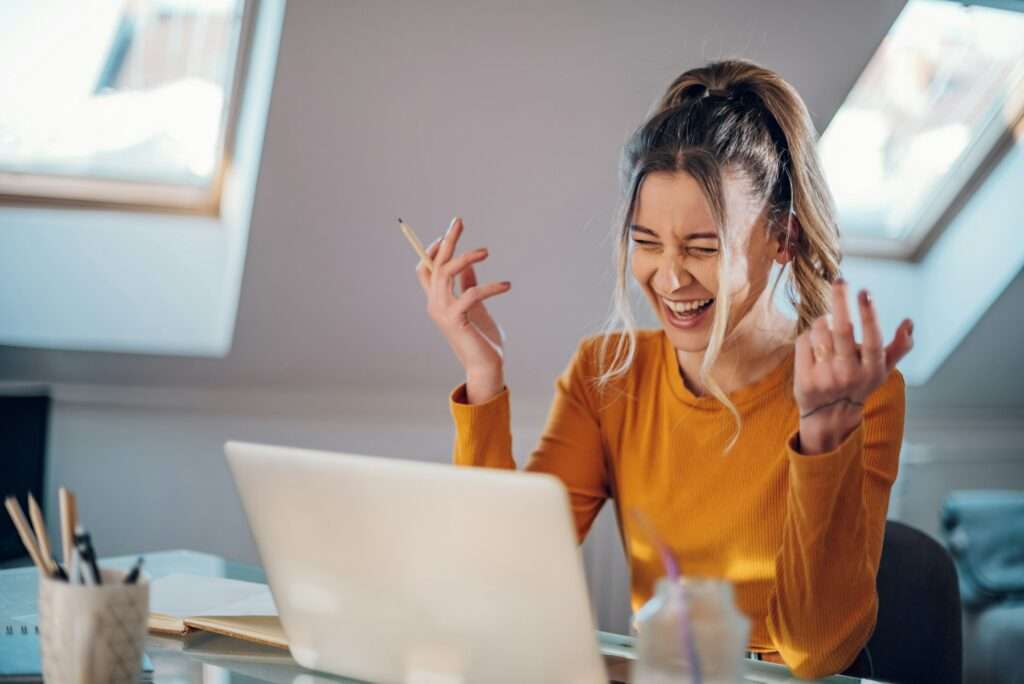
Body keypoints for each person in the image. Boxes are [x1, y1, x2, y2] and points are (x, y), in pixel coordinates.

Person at [414, 58, 914, 679]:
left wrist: (822, 438)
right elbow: (497, 572)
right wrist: (482, 373)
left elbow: (816, 652)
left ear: (782, 239)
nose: (670, 277)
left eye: (703, 248)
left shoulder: (861, 393)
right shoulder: (609, 375)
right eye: (646, 242)